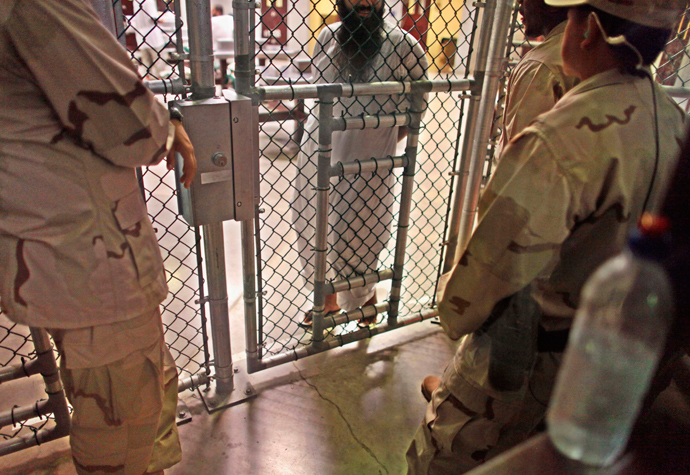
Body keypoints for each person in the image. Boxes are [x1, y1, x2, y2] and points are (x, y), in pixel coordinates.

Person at [407, 0, 687, 473]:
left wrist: (457, 316)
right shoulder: (672, 121)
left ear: (590, 30)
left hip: (526, 360)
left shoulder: (561, 137)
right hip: (601, 361)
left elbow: (486, 276)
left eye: (573, 14)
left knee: (441, 461)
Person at [0, 1, 197, 474]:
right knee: (122, 418)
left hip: (58, 247)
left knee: (124, 397)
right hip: (90, 256)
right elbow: (125, 122)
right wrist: (167, 126)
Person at [291, 0, 428, 328]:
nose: (365, 1)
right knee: (311, 226)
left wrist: (374, 144)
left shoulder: (405, 48)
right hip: (316, 155)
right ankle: (325, 301)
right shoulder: (325, 38)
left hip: (367, 163)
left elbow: (415, 112)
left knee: (360, 234)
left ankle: (365, 303)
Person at [496, 0, 579, 157]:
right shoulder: (599, 49)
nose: (518, 2)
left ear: (553, 4)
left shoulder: (539, 66)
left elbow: (521, 159)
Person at [130, 0, 169, 79]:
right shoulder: (149, 1)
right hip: (153, 36)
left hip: (141, 35)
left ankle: (149, 80)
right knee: (160, 59)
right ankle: (156, 80)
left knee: (147, 62)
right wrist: (163, 17)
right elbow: (153, 17)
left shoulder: (136, 1)